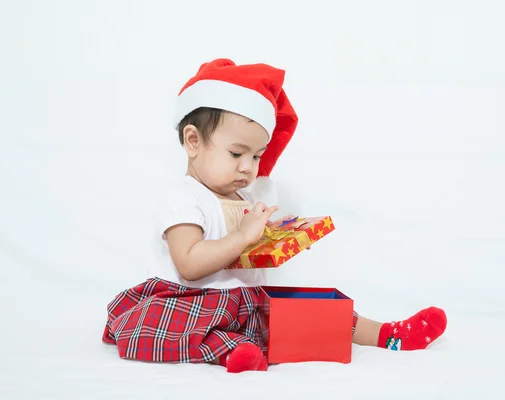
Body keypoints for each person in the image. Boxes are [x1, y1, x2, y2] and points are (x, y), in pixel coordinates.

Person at [102, 58, 448, 373]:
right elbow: (189, 263)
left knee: (309, 309)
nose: (247, 167)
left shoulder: (245, 195)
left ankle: (387, 334)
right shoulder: (183, 198)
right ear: (193, 142)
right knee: (177, 327)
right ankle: (228, 351)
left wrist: (286, 238)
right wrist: (243, 236)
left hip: (242, 302)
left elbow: (251, 251)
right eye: (237, 153)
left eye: (256, 157)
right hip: (189, 302)